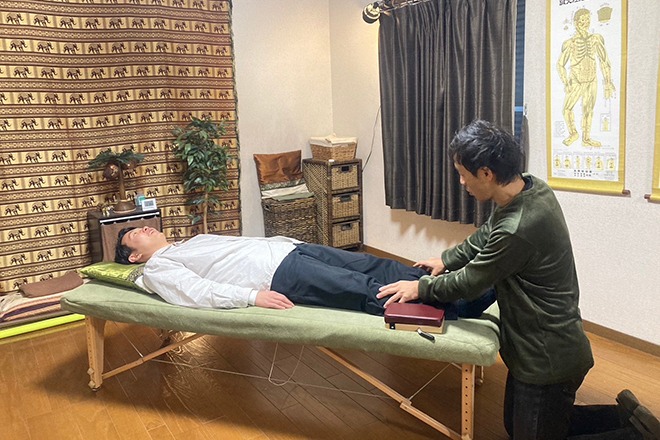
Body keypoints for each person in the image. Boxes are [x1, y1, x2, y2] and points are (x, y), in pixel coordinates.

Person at [377, 120, 659, 439]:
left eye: (463, 174)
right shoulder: (530, 188)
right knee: (522, 427)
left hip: (547, 357)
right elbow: (487, 234)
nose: (461, 182)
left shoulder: (518, 228)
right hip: (541, 347)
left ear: (486, 173)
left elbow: (470, 282)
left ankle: (639, 434)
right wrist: (446, 259)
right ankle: (626, 416)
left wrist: (420, 287)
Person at [114, 227, 494, 317]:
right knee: (360, 287)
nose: (143, 228)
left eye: (142, 226)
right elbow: (193, 291)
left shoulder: (189, 241)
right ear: (134, 257)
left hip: (291, 250)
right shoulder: (158, 267)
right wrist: (251, 296)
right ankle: (457, 306)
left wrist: (289, 242)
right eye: (134, 235)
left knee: (376, 264)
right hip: (279, 275)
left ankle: (448, 284)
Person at [556, 8, 616, 147]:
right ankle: (573, 133)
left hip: (592, 79)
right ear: (576, 22)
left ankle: (586, 138)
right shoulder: (570, 43)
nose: (586, 22)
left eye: (588, 19)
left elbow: (604, 61)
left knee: (588, 109)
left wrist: (608, 82)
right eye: (582, 20)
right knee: (567, 109)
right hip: (577, 80)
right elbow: (560, 64)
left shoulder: (596, 39)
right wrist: (566, 82)